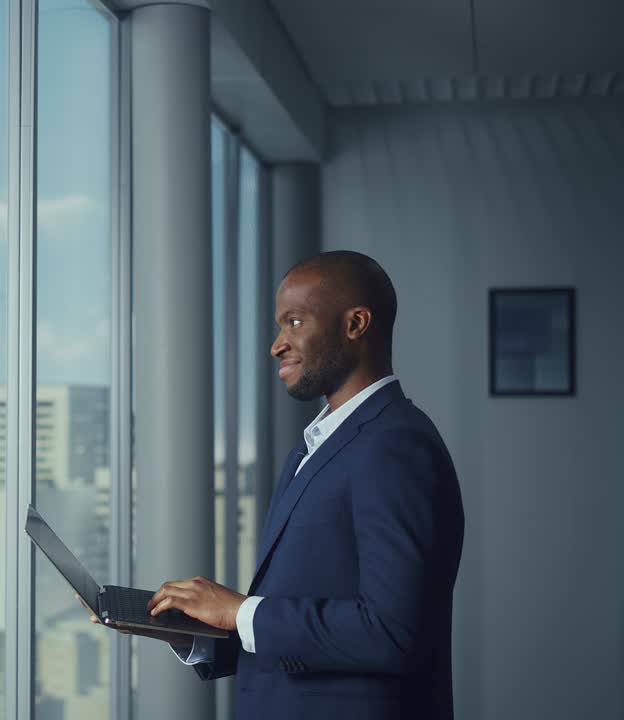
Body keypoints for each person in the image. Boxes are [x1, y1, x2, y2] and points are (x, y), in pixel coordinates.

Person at [90, 250, 464, 719]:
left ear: (356, 324)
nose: (277, 344)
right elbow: (303, 630)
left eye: (294, 322)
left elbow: (390, 632)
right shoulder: (315, 448)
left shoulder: (395, 446)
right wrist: (194, 632)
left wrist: (240, 611)